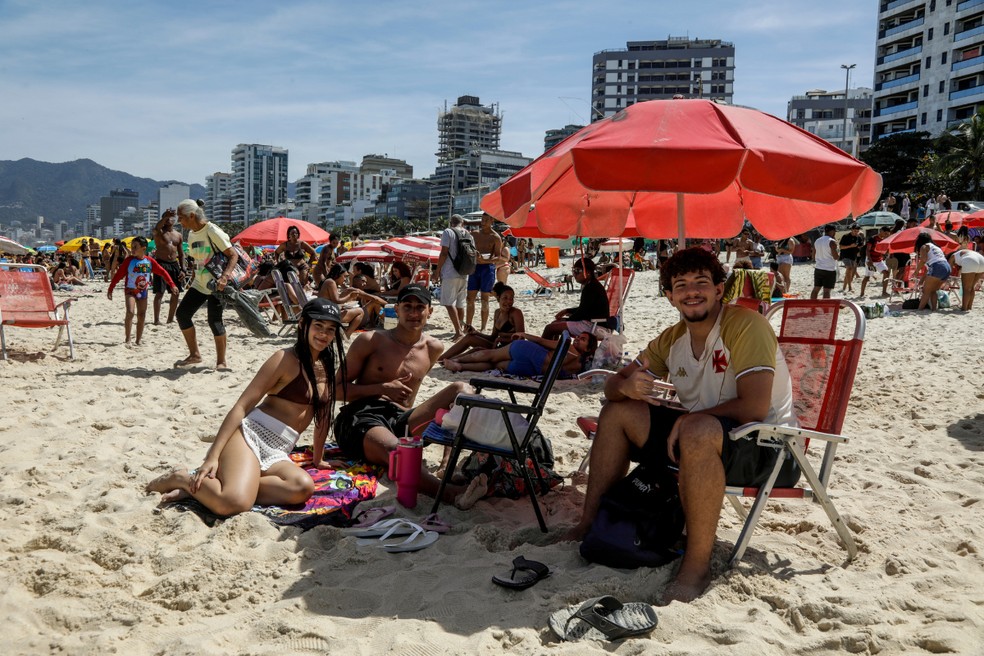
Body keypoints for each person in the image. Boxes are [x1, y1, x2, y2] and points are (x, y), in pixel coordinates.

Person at [567, 247, 797, 603]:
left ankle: (696, 565)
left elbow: (754, 407)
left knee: (696, 430)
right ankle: (588, 524)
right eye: (681, 284)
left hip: (767, 448)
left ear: (720, 289)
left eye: (701, 282)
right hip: (703, 437)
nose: (692, 291)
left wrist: (690, 418)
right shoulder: (672, 339)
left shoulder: (746, 326)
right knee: (619, 412)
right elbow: (614, 384)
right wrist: (625, 386)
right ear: (669, 295)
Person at [145, 298, 348, 515]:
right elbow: (241, 407)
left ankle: (211, 489)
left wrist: (319, 459)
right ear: (302, 324)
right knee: (235, 504)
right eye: (318, 326)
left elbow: (324, 414)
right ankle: (182, 478)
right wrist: (212, 456)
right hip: (250, 437)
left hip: (279, 448)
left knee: (302, 487)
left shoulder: (326, 364)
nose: (324, 334)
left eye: (330, 329)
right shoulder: (284, 359)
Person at [332, 284, 473, 503]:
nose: (414, 313)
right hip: (362, 416)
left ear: (430, 311)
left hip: (401, 419)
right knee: (399, 451)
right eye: (407, 306)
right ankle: (449, 494)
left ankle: (446, 466)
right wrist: (382, 388)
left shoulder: (433, 347)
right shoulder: (371, 341)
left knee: (461, 391)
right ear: (396, 310)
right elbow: (336, 389)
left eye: (420, 307)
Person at [173, 198, 239, 370]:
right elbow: (196, 259)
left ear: (192, 215)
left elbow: (233, 255)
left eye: (181, 217)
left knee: (214, 320)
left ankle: (221, 362)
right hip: (199, 282)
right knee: (182, 314)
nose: (179, 221)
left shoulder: (212, 230)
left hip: (217, 283)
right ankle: (195, 355)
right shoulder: (192, 233)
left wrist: (224, 277)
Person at [107, 237, 178, 346]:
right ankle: (127, 339)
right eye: (132, 246)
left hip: (143, 292)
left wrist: (172, 284)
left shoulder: (149, 261)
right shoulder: (129, 260)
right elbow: (119, 275)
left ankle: (138, 340)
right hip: (130, 290)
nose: (132, 249)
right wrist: (111, 288)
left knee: (142, 315)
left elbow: (163, 272)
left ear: (143, 248)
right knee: (130, 312)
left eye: (135, 247)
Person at [444, 331, 597, 378]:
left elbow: (541, 341)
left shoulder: (568, 346)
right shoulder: (578, 367)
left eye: (582, 339)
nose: (577, 339)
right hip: (531, 370)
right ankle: (460, 366)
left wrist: (524, 334)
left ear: (588, 348)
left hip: (533, 354)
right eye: (578, 337)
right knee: (493, 365)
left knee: (491, 354)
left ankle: (455, 359)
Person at [438, 282, 525, 362]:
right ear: (498, 298)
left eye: (511, 298)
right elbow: (492, 337)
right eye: (505, 298)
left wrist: (501, 338)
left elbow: (521, 338)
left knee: (477, 350)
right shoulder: (497, 313)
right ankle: (441, 359)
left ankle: (450, 361)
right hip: (498, 346)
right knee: (470, 337)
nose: (509, 301)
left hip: (510, 349)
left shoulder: (515, 313)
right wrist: (476, 332)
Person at [541, 257, 614, 339]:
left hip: (596, 326)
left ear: (588, 272)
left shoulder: (591, 288)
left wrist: (567, 319)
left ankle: (544, 350)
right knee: (555, 325)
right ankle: (553, 349)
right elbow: (585, 308)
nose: (574, 274)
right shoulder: (592, 285)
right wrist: (567, 311)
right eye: (573, 270)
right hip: (594, 323)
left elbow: (582, 312)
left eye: (578, 271)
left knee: (550, 328)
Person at [318, 264, 385, 337]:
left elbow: (333, 300)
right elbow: (337, 300)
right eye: (344, 276)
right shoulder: (333, 283)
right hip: (328, 313)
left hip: (327, 312)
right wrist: (350, 296)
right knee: (362, 310)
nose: (344, 280)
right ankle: (347, 335)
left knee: (373, 305)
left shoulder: (331, 282)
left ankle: (384, 320)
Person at [465, 214, 503, 333]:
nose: (483, 222)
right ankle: (468, 325)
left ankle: (483, 327)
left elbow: (498, 257)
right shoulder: (474, 234)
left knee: (484, 299)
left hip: (487, 268)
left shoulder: (495, 237)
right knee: (470, 299)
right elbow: (467, 249)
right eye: (482, 220)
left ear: (492, 221)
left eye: (486, 220)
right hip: (475, 267)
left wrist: (485, 260)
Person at [434, 214, 469, 339]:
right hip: (465, 272)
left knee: (449, 303)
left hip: (450, 272)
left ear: (451, 223)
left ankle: (458, 331)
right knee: (460, 303)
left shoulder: (448, 232)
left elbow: (444, 253)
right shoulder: (468, 234)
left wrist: (437, 270)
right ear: (462, 223)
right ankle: (460, 330)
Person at [152, 208, 186, 325]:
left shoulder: (178, 235)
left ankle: (170, 318)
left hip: (174, 264)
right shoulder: (159, 232)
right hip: (161, 263)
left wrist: (183, 269)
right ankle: (156, 320)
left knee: (175, 292)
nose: (168, 220)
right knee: (159, 293)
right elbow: (157, 227)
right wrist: (165, 216)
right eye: (166, 218)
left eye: (170, 218)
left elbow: (181, 254)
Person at [913, 231, 952, 311]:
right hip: (947, 267)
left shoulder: (924, 246)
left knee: (926, 291)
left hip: (937, 266)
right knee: (933, 290)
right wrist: (922, 280)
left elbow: (924, 260)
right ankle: (934, 309)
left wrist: (916, 271)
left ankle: (920, 309)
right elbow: (929, 269)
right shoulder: (936, 247)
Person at [860, 226, 892, 297]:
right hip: (870, 260)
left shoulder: (885, 240)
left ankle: (884, 292)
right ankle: (862, 293)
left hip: (879, 260)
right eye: (885, 233)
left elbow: (885, 250)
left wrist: (885, 255)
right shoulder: (873, 238)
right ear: (881, 231)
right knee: (867, 277)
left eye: (888, 234)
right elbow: (867, 250)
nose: (886, 235)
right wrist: (870, 261)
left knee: (886, 273)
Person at [810, 224, 839, 300]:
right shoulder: (832, 242)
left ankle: (812, 306)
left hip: (818, 268)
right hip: (829, 269)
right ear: (832, 231)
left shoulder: (817, 240)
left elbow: (813, 256)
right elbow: (836, 257)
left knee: (816, 289)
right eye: (834, 232)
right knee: (826, 291)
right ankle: (825, 309)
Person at [838, 224, 863, 294]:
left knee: (850, 272)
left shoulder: (859, 237)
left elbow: (861, 246)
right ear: (851, 230)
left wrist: (859, 248)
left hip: (853, 256)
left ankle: (844, 287)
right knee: (849, 268)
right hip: (845, 255)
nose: (856, 232)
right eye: (855, 231)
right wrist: (850, 246)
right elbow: (841, 247)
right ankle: (850, 287)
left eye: (857, 231)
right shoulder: (846, 236)